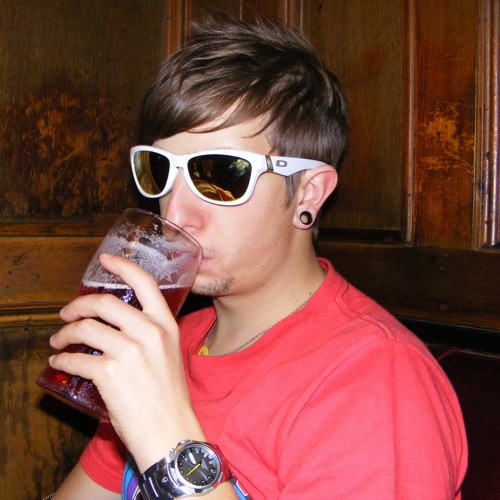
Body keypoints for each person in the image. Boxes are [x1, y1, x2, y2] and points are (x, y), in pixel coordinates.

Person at [48, 12, 467, 500]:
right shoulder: (167, 342)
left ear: (309, 192)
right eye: (159, 169)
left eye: (222, 174)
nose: (177, 212)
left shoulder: (376, 383)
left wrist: (164, 435)